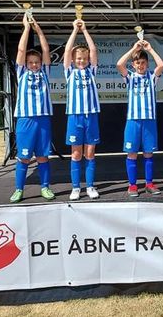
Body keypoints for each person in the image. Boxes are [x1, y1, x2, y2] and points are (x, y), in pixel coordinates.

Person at [9, 12, 55, 203]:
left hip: (43, 119)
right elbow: (21, 50)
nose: (34, 64)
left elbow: (46, 50)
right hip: (25, 119)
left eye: (36, 62)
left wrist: (38, 30)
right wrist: (27, 28)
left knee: (43, 157)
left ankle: (45, 187)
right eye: (31, 62)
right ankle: (19, 190)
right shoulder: (21, 72)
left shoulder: (45, 71)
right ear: (26, 64)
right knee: (24, 157)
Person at [116, 39, 163, 197]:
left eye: (143, 62)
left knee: (148, 153)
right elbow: (119, 64)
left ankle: (149, 183)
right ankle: (132, 185)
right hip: (133, 120)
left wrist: (150, 49)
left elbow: (161, 65)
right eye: (137, 63)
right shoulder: (130, 77)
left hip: (149, 120)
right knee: (131, 153)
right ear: (133, 65)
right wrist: (133, 49)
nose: (140, 65)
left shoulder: (152, 77)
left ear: (147, 64)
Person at [64, 19, 101, 200]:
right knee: (76, 153)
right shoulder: (69, 71)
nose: (82, 61)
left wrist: (84, 30)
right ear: (73, 60)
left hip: (91, 116)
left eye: (84, 59)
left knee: (90, 153)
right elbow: (66, 51)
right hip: (75, 116)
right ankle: (76, 188)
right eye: (78, 58)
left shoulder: (91, 71)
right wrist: (74, 31)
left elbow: (93, 50)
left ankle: (90, 186)